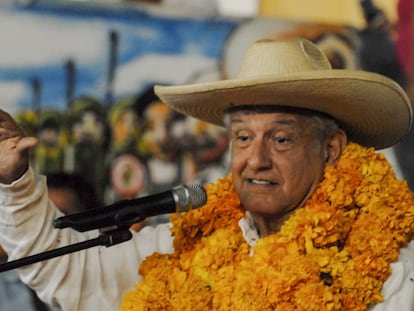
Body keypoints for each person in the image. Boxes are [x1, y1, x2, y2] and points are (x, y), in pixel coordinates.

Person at [0, 38, 413, 310]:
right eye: (243, 138)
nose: (256, 160)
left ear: (331, 149)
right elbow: (62, 273)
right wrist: (15, 183)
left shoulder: (390, 272)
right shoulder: (184, 247)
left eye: (281, 139)